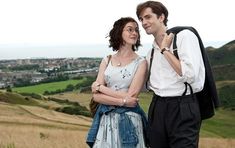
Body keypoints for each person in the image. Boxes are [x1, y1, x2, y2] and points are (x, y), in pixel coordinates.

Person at [136, 1, 205, 148]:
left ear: (161, 17)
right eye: (141, 19)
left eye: (148, 17)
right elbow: (144, 85)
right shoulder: (150, 53)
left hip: (183, 106)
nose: (144, 22)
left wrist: (164, 50)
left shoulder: (184, 36)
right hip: (157, 107)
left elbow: (190, 74)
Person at [86, 17, 149, 148]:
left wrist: (101, 88)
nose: (135, 33)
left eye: (136, 30)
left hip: (129, 120)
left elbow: (131, 98)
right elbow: (96, 97)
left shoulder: (141, 62)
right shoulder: (107, 60)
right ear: (119, 32)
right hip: (106, 119)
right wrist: (122, 101)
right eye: (130, 29)